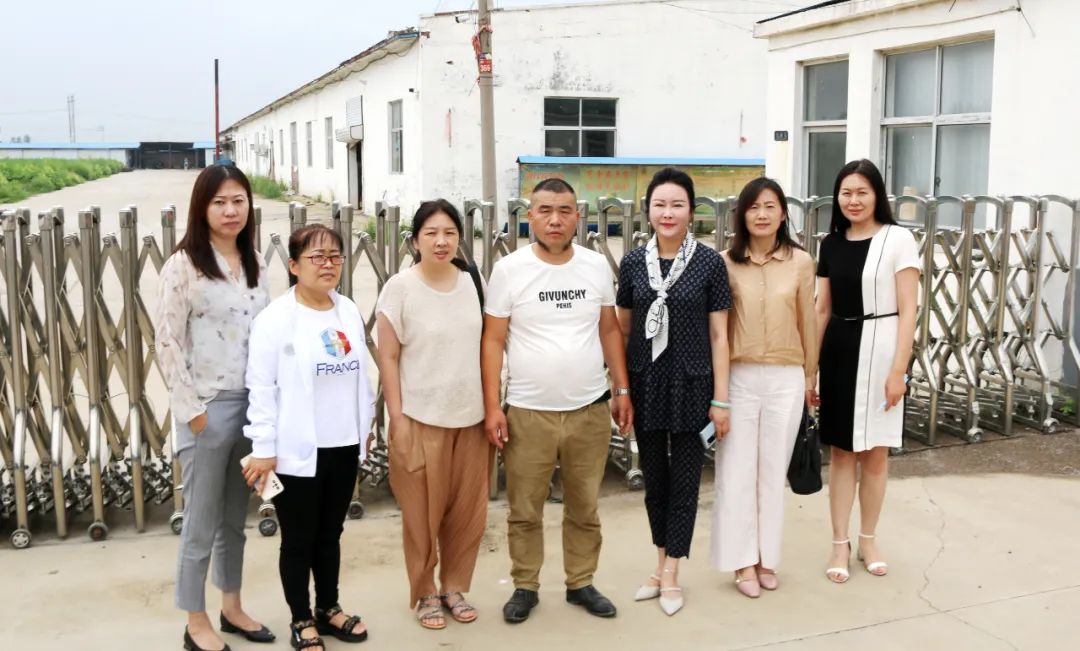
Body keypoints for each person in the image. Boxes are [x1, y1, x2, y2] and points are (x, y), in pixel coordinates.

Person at [482, 177, 633, 623]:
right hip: (528, 412)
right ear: (529, 216)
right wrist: (492, 406)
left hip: (589, 410)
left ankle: (581, 582)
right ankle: (525, 585)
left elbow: (609, 329)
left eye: (564, 211)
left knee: (584, 506)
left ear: (577, 217)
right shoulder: (509, 270)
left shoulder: (594, 265)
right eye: (545, 210)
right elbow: (493, 340)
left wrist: (621, 389)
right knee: (524, 509)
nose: (555, 220)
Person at [155, 163, 275, 651]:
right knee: (200, 522)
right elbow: (166, 341)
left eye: (238, 201)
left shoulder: (256, 263)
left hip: (251, 409)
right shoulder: (183, 265)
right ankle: (195, 619)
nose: (230, 211)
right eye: (219, 202)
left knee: (233, 519)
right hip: (206, 408)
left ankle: (232, 606)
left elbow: (267, 337)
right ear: (201, 208)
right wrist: (193, 413)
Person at [243, 224, 374, 649]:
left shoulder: (347, 309)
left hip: (343, 444)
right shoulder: (274, 320)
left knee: (331, 533)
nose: (328, 264)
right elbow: (261, 388)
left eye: (335, 256)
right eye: (317, 257)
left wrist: (365, 429)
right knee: (299, 539)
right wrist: (263, 449)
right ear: (294, 265)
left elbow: (359, 378)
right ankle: (301, 618)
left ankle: (328, 608)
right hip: (295, 450)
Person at [615, 167, 732, 616]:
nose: (668, 213)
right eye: (660, 204)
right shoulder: (632, 263)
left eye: (677, 204)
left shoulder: (709, 263)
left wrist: (720, 399)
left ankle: (672, 572)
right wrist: (621, 388)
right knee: (654, 482)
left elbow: (720, 336)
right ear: (648, 210)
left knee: (684, 482)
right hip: (646, 384)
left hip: (693, 384)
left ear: (691, 210)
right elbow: (624, 330)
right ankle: (660, 563)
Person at [376, 200, 491, 630]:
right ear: (415, 240)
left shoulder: (473, 281)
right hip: (421, 417)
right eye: (431, 233)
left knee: (467, 514)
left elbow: (489, 346)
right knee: (421, 515)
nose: (441, 242)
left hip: (471, 418)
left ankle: (454, 587)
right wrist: (397, 418)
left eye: (449, 233)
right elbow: (388, 357)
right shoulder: (400, 288)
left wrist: (493, 408)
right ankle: (425, 591)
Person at [815, 159, 919, 583]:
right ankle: (839, 542)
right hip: (839, 351)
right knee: (842, 453)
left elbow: (909, 309)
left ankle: (868, 539)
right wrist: (809, 369)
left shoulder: (899, 239)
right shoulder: (831, 244)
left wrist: (899, 371)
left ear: (877, 195)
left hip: (882, 350)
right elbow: (821, 309)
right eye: (846, 193)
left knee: (876, 452)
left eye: (862, 192)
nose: (853, 200)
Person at [712, 177, 817, 598]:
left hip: (786, 377)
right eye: (753, 207)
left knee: (773, 472)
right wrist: (718, 391)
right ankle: (741, 562)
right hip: (738, 376)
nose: (761, 214)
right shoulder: (724, 263)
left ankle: (766, 557)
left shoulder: (801, 262)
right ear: (742, 214)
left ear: (783, 213)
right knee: (737, 471)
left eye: (770, 206)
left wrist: (811, 376)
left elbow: (808, 321)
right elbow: (717, 331)